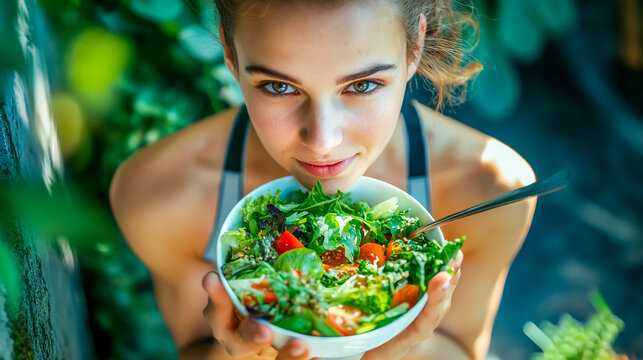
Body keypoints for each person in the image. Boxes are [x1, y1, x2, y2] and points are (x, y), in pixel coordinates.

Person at [109, 0, 536, 359]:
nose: (323, 141)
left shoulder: (493, 189)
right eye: (278, 86)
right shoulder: (158, 195)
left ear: (415, 45)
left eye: (363, 84)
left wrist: (404, 346)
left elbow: (461, 348)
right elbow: (195, 347)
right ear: (228, 50)